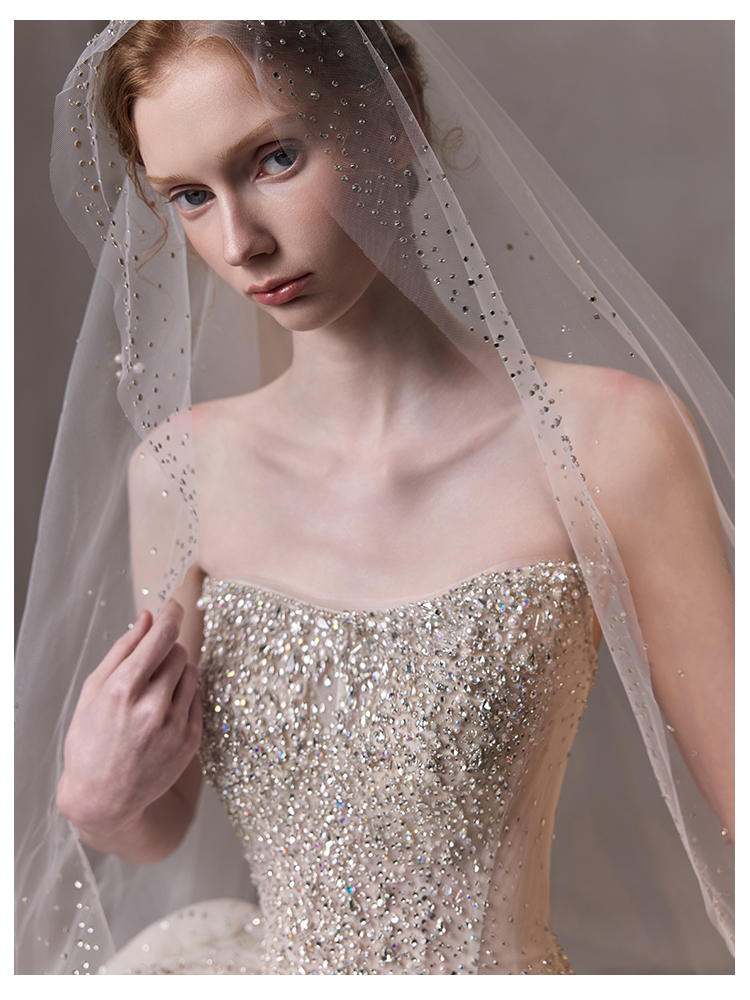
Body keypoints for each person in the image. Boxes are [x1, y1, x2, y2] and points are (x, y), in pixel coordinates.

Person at [15, 20, 733, 975]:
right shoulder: (179, 470)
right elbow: (161, 820)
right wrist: (95, 800)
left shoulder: (612, 438)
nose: (240, 242)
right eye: (190, 196)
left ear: (397, 119)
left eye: (274, 158)